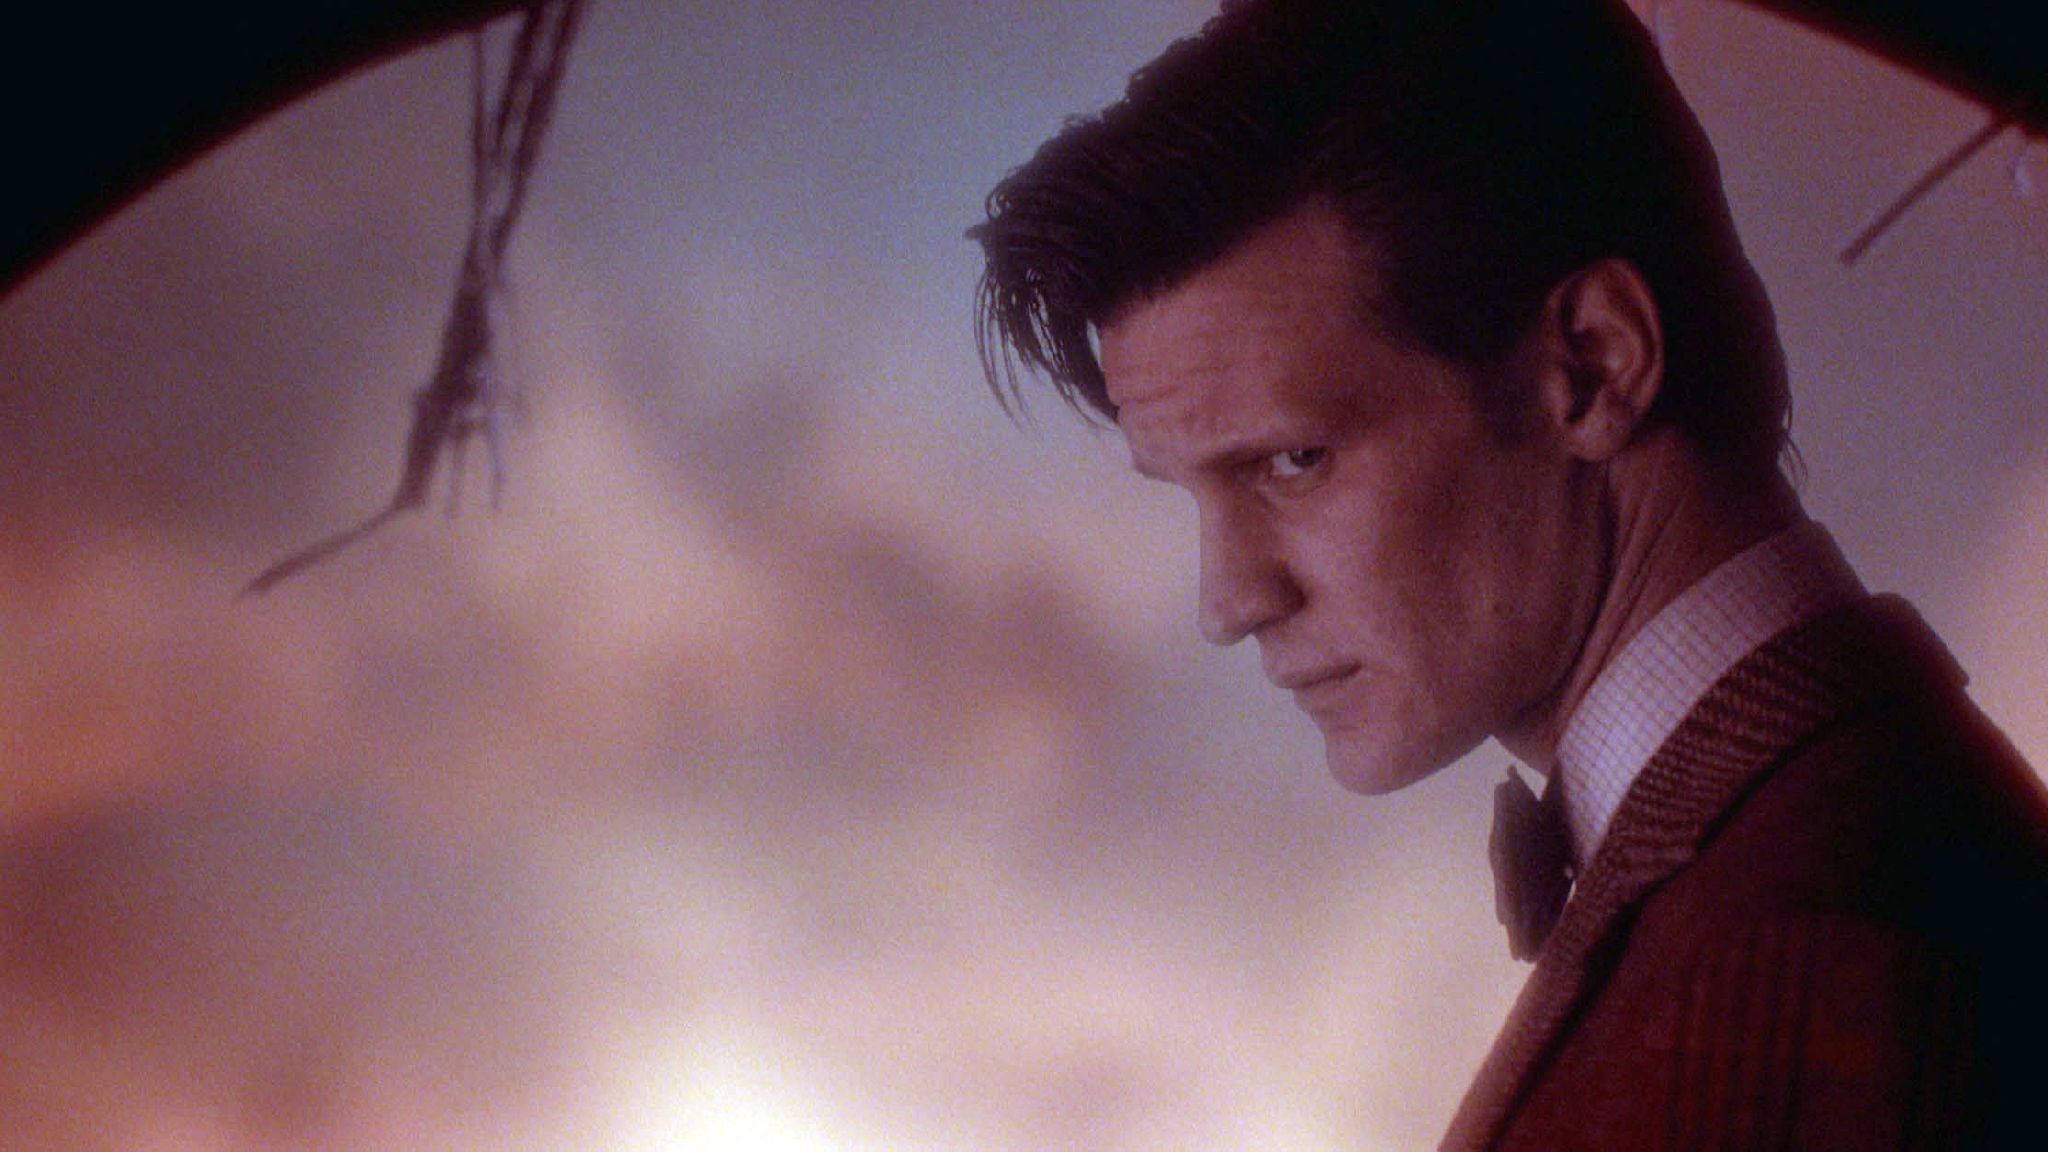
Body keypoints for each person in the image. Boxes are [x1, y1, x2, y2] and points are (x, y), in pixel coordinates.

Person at [968, 1, 2048, 1148]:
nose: (1227, 602)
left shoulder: (1804, 974)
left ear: (1592, 364)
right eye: (1187, 490)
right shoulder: (1803, 865)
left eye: (1292, 461)